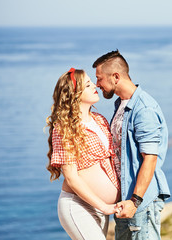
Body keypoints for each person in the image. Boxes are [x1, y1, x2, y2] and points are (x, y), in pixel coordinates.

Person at [93, 50, 170, 240]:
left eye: (99, 78)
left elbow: (150, 159)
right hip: (125, 202)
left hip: (139, 203)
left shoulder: (144, 109)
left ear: (116, 77)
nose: (97, 84)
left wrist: (135, 201)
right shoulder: (121, 104)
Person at [46, 68, 121, 240]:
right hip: (78, 205)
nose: (94, 85)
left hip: (101, 209)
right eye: (88, 85)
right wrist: (105, 206)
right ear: (74, 94)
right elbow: (72, 178)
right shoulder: (65, 128)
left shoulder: (100, 120)